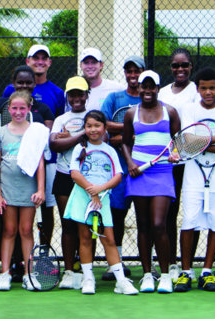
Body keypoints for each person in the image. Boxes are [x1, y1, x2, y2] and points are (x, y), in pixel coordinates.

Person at [0, 65, 54, 283]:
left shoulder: (36, 132)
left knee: (26, 230)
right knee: (9, 230)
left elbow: (40, 163)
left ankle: (28, 274)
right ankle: (4, 274)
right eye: (13, 108)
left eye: (22, 108)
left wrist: (41, 189)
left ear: (29, 109)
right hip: (7, 191)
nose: (17, 112)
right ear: (8, 109)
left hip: (29, 190)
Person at [173, 68, 215, 293]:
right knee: (189, 221)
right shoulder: (189, 109)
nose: (208, 92)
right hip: (193, 177)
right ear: (197, 89)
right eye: (203, 88)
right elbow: (186, 144)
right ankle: (186, 272)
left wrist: (199, 142)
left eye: (212, 88)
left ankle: (207, 272)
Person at [63, 110, 138, 295]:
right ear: (84, 128)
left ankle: (121, 281)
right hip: (83, 199)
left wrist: (100, 189)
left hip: (102, 201)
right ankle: (88, 280)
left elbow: (118, 175)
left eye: (97, 126)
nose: (93, 129)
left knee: (109, 240)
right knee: (86, 238)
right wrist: (91, 190)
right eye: (89, 126)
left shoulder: (110, 150)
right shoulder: (79, 149)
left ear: (104, 128)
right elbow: (75, 173)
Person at [121, 70, 180, 293]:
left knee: (158, 224)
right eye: (143, 86)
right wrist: (130, 164)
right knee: (143, 225)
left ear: (157, 88)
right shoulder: (130, 113)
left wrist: (175, 153)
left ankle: (165, 275)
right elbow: (125, 143)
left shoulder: (170, 112)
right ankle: (147, 275)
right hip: (139, 174)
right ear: (139, 89)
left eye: (151, 86)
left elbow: (177, 142)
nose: (147, 90)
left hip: (162, 173)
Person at [99, 55, 144, 281]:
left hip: (144, 167)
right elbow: (103, 123)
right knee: (116, 215)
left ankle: (149, 266)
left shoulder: (149, 97)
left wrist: (122, 135)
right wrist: (132, 131)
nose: (133, 75)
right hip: (117, 168)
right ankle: (114, 263)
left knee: (145, 217)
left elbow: (153, 126)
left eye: (137, 71)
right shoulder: (114, 97)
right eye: (129, 71)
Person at [158, 48, 200, 280]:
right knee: (167, 214)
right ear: (171, 67)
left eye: (184, 65)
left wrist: (182, 149)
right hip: (167, 161)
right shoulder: (162, 92)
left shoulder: (196, 92)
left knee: (191, 212)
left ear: (191, 66)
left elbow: (196, 127)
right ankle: (168, 262)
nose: (180, 69)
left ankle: (187, 264)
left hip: (191, 161)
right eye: (176, 65)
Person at [49, 76, 90, 289]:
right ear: (67, 96)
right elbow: (54, 145)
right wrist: (80, 135)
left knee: (87, 224)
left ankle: (86, 270)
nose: (76, 98)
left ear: (86, 95)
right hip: (64, 175)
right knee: (68, 225)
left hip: (88, 177)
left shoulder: (93, 116)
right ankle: (69, 271)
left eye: (80, 93)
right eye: (72, 94)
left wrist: (68, 138)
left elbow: (99, 137)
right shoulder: (61, 118)